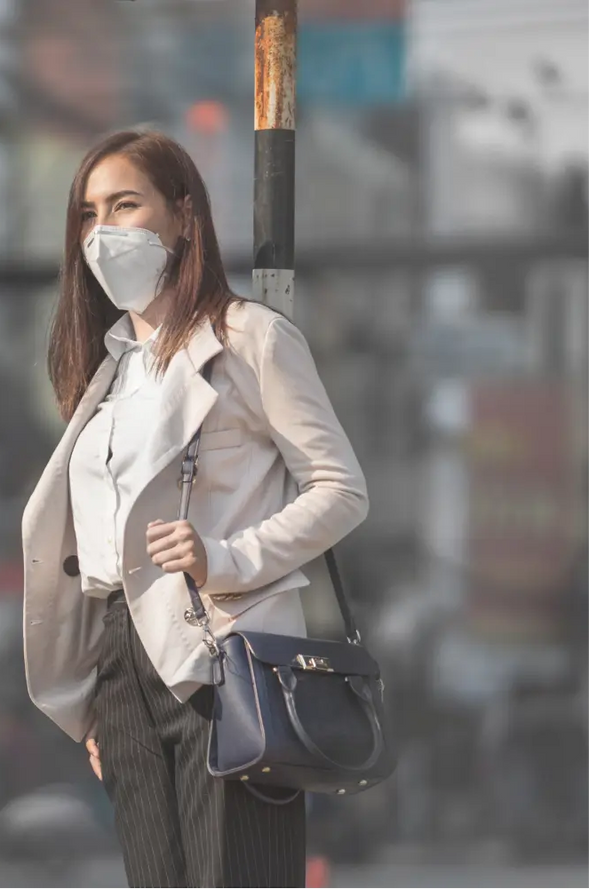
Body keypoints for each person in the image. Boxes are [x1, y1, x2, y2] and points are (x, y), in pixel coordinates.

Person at [21, 130, 369, 889]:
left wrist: (227, 556)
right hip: (120, 664)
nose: (102, 231)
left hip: (226, 653)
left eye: (125, 204)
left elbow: (341, 489)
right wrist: (96, 696)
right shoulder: (109, 370)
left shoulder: (250, 338)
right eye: (87, 213)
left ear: (184, 217)